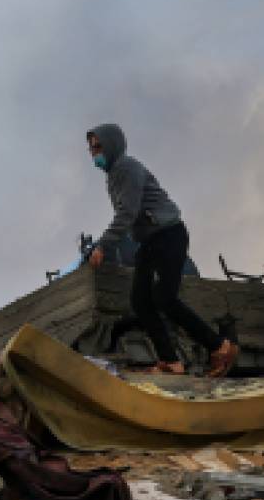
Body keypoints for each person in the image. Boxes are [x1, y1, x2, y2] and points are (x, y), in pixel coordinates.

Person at [86, 124, 240, 377]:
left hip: (168, 234)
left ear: (112, 144)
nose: (93, 153)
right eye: (91, 149)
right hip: (149, 239)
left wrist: (103, 245)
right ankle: (170, 361)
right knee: (140, 301)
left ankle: (221, 347)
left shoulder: (126, 167)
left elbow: (127, 213)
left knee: (164, 297)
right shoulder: (113, 175)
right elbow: (128, 215)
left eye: (98, 146)